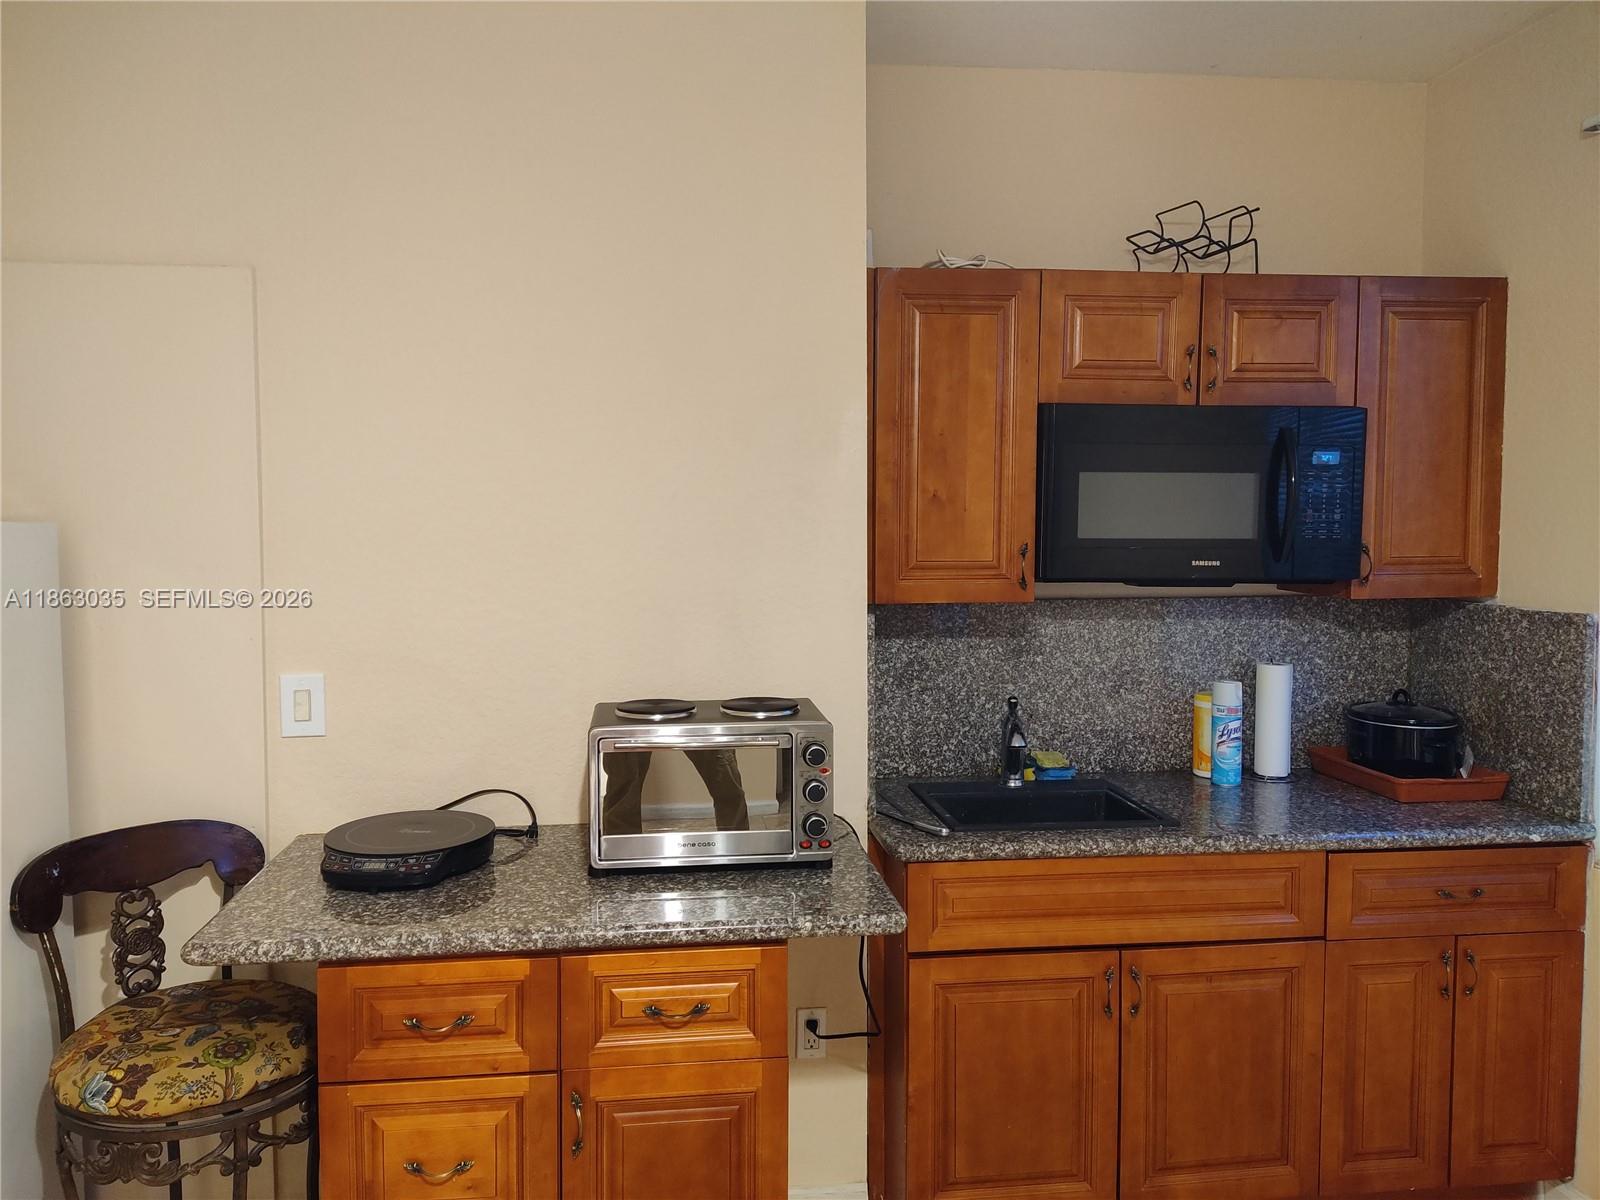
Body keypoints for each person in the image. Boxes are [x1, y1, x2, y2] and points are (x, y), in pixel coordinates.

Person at [600, 748, 750, 835]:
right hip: (628, 705)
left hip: (700, 705)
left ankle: (738, 845)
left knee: (723, 774)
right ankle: (620, 852)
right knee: (625, 780)